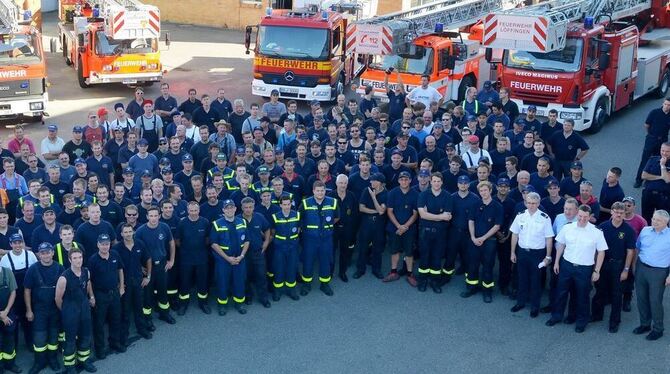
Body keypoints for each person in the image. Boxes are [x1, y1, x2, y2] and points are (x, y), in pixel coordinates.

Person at [547, 205, 607, 333]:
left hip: (585, 269)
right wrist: (557, 262)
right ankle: (557, 316)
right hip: (567, 265)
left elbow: (601, 252)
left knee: (582, 296)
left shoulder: (596, 232)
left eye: (585, 217)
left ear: (590, 217)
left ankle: (580, 321)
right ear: (577, 215)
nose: (582, 219)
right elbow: (561, 245)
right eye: (580, 216)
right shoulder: (567, 228)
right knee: (561, 292)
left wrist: (597, 270)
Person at [590, 202, 635, 333]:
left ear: (624, 214)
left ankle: (614, 322)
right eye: (616, 212)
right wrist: (595, 266)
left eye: (621, 213)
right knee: (600, 291)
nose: (619, 214)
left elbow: (630, 251)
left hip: (618, 265)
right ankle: (596, 315)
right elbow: (596, 248)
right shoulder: (602, 227)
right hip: (603, 264)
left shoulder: (628, 230)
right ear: (611, 212)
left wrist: (626, 270)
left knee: (616, 295)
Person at [510, 192, 554, 318]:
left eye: (534, 203)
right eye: (529, 203)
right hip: (522, 252)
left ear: (538, 204)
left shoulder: (544, 218)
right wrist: (513, 252)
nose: (531, 205)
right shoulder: (520, 216)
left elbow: (549, 238)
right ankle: (520, 302)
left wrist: (548, 256)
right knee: (521, 279)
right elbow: (515, 234)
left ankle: (535, 307)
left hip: (537, 254)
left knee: (536, 281)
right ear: (525, 203)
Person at [24, 242, 64, 374]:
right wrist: (29, 310)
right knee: (39, 337)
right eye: (42, 252)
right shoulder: (33, 269)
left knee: (53, 337)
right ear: (39, 254)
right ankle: (39, 362)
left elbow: (66, 289)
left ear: (53, 253)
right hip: (39, 310)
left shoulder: (60, 268)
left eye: (48, 252)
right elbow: (27, 290)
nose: (46, 255)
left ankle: (52, 359)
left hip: (55, 309)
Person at [134, 206, 176, 327]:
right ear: (147, 217)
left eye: (155, 215)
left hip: (162, 265)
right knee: (147, 294)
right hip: (147, 267)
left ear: (159, 216)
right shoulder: (141, 231)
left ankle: (165, 313)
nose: (153, 218)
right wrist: (140, 267)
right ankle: (147, 318)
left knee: (163, 290)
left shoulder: (165, 227)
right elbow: (136, 250)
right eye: (150, 216)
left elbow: (171, 243)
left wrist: (171, 260)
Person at [633, 209, 670, 341]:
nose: (654, 221)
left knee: (655, 301)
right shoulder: (645, 231)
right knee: (641, 298)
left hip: (659, 272)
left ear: (666, 222)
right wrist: (634, 267)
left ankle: (658, 329)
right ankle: (645, 324)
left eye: (658, 220)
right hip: (641, 268)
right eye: (653, 218)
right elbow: (637, 247)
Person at [462, 181, 502, 302]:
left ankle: (487, 291)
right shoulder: (475, 205)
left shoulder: (497, 206)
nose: (483, 193)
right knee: (472, 265)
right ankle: (471, 287)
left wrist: (483, 238)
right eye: (481, 191)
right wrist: (473, 237)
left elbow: (497, 226)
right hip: (474, 241)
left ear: (490, 191)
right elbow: (471, 221)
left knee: (488, 266)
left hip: (489, 241)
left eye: (485, 190)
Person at [113, 223, 152, 347]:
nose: (128, 234)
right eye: (125, 232)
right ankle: (124, 336)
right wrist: (120, 284)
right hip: (125, 284)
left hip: (138, 281)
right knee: (125, 310)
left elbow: (148, 259)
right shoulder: (117, 248)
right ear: (121, 234)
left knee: (139, 307)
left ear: (133, 232)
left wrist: (148, 276)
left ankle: (142, 329)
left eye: (130, 231)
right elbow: (115, 268)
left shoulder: (139, 244)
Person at [87, 234, 124, 359]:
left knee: (115, 320)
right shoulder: (93, 259)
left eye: (107, 244)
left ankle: (115, 343)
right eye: (102, 244)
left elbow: (120, 269)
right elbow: (89, 280)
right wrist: (91, 296)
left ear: (110, 244)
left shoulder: (114, 255)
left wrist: (122, 286)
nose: (105, 246)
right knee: (99, 323)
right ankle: (100, 349)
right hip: (100, 295)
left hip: (114, 293)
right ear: (98, 245)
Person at [300, 181, 339, 296]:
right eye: (318, 190)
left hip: (326, 238)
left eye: (322, 190)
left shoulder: (332, 202)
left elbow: (336, 217)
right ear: (313, 191)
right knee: (308, 261)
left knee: (325, 261)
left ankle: (324, 284)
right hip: (310, 239)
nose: (320, 193)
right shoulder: (305, 203)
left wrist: (327, 227)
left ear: (325, 191)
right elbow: (299, 218)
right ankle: (306, 284)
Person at [210, 199, 249, 316]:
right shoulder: (217, 224)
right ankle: (222, 305)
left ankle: (239, 303)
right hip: (223, 260)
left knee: (239, 282)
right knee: (222, 282)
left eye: (231, 207)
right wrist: (227, 258)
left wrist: (242, 256)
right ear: (223, 210)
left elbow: (247, 240)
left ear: (235, 208)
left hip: (239, 259)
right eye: (227, 208)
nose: (230, 209)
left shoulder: (242, 222)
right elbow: (214, 243)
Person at [416, 172, 452, 292]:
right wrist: (440, 216)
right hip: (425, 232)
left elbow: (448, 216)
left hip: (440, 233)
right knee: (424, 256)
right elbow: (422, 214)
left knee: (437, 257)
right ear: (430, 182)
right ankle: (422, 281)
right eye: (434, 181)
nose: (436, 183)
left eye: (438, 181)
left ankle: (435, 281)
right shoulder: (423, 195)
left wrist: (429, 215)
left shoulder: (447, 196)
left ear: (442, 182)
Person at [1, 233, 37, 352]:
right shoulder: (5, 259)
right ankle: (14, 347)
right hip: (14, 296)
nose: (17, 245)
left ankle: (30, 343)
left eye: (19, 242)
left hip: (29, 294)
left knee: (29, 320)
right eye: (14, 243)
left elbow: (36, 273)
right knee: (14, 322)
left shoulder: (30, 255)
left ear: (22, 243)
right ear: (10, 244)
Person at [175, 202, 210, 315]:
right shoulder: (182, 223)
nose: (193, 213)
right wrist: (187, 249)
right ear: (187, 211)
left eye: (195, 210)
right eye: (191, 210)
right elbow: (177, 240)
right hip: (186, 258)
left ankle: (203, 303)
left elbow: (208, 239)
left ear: (199, 210)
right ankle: (183, 304)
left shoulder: (205, 222)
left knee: (202, 281)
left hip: (202, 257)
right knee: (185, 281)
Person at [383, 171, 418, 283]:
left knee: (409, 252)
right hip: (394, 228)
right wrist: (398, 226)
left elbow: (415, 213)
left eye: (406, 179)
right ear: (398, 180)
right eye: (402, 179)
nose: (404, 181)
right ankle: (393, 272)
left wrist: (404, 227)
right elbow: (389, 211)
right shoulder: (392, 193)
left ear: (410, 180)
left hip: (409, 228)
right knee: (394, 251)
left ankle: (409, 274)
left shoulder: (415, 194)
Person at [353, 173, 387, 280]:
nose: (371, 182)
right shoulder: (366, 190)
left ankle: (376, 269)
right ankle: (360, 269)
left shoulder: (386, 193)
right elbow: (361, 208)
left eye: (373, 180)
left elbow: (382, 211)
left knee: (377, 248)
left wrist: (373, 197)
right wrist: (375, 211)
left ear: (380, 183)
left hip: (379, 224)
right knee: (363, 247)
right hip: (366, 223)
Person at [240, 197, 271, 308]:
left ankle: (264, 298)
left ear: (254, 207)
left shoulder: (259, 217)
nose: (248, 209)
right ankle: (248, 296)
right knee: (245, 276)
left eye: (250, 207)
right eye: (246, 207)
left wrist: (266, 241)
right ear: (242, 208)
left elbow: (267, 229)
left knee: (261, 276)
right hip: (244, 254)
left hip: (258, 252)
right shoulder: (238, 219)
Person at [270, 195, 301, 301]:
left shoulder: (297, 215)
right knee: (279, 268)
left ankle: (291, 289)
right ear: (280, 205)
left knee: (292, 267)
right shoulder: (275, 216)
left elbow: (298, 229)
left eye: (288, 204)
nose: (287, 207)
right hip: (280, 247)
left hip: (292, 246)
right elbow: (273, 232)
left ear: (291, 204)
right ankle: (278, 290)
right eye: (284, 204)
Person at [635, 98, 670, 188]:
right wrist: (651, 135)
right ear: (663, 103)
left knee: (659, 161)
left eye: (669, 105)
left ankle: (652, 179)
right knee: (645, 160)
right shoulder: (654, 112)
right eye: (665, 104)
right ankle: (639, 180)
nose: (666, 106)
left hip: (662, 141)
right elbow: (647, 125)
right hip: (651, 139)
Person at [640, 142, 670, 222]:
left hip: (664, 197)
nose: (664, 153)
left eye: (667, 151)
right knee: (645, 218)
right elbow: (644, 175)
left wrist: (662, 165)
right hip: (648, 194)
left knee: (662, 220)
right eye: (662, 150)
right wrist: (660, 177)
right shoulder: (653, 159)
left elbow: (667, 179)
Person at [0, 260, 18, 374]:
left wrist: (6, 311)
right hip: (3, 315)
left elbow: (13, 292)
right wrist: (1, 316)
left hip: (8, 312)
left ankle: (10, 364)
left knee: (9, 339)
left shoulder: (7, 272)